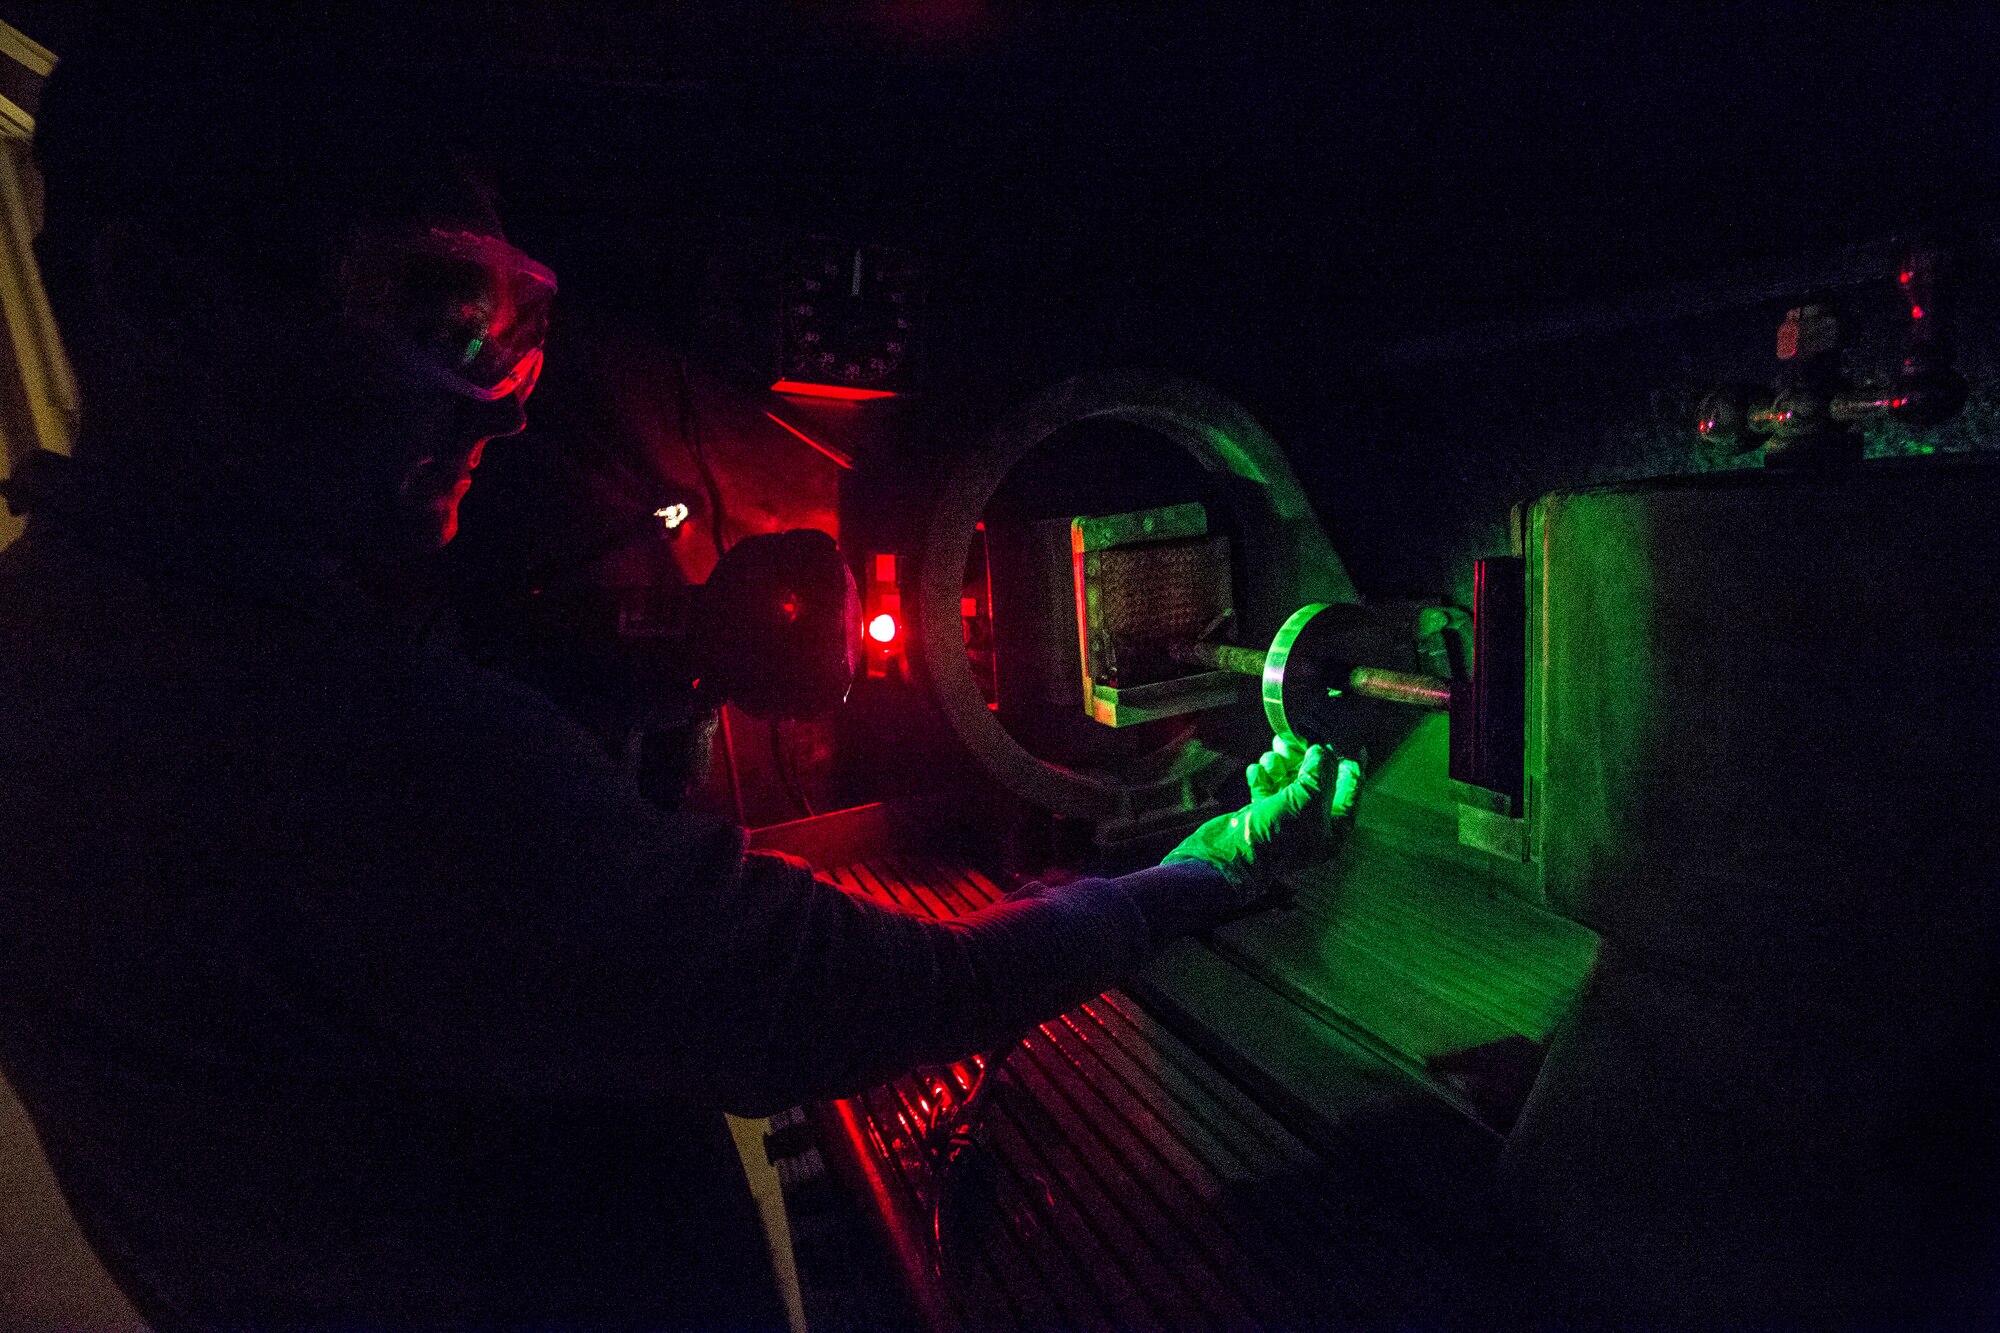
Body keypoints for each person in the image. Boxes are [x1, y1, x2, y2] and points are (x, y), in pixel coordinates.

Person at [0, 14, 1359, 1330]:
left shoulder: (58, 656)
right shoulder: (330, 738)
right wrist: (1223, 858)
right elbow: (840, 995)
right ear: (160, 299)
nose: (509, 397)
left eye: (511, 325)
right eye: (438, 310)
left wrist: (656, 699)